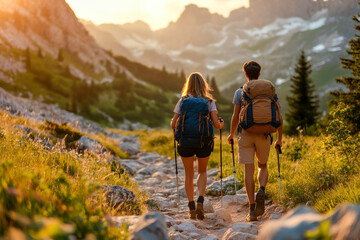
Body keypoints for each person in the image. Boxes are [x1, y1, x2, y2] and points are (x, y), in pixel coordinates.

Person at [227, 61, 283, 221]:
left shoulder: (240, 92)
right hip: (264, 134)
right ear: (259, 74)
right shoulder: (270, 91)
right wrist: (279, 139)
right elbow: (279, 114)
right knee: (263, 165)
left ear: (245, 74)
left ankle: (252, 210)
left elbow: (236, 116)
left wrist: (231, 134)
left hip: (246, 133)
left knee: (248, 170)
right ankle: (262, 189)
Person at [171, 72, 224, 220]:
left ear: (188, 85)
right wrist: (221, 123)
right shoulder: (208, 102)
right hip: (203, 142)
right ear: (203, 85)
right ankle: (200, 200)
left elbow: (173, 124)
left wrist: (180, 128)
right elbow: (216, 125)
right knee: (202, 171)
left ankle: (191, 207)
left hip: (186, 141)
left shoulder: (182, 101)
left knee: (189, 173)